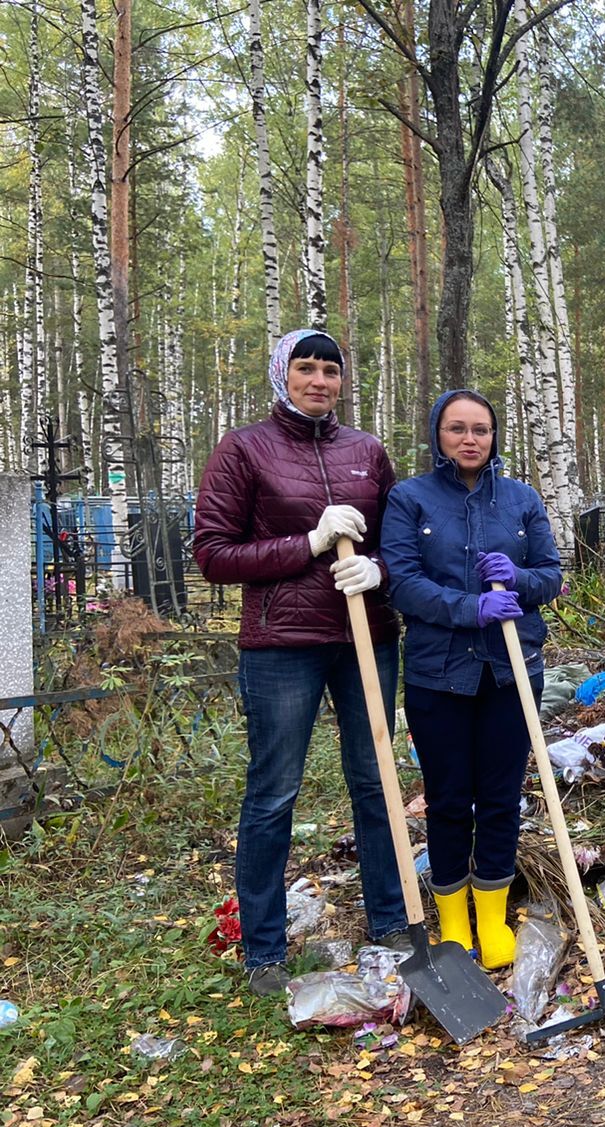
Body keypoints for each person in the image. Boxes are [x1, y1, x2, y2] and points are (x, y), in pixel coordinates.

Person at [193, 329, 407, 997]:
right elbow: (214, 555)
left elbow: (401, 542)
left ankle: (392, 921)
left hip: (365, 639)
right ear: (283, 374)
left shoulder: (366, 452)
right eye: (306, 368)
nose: (319, 380)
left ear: (343, 382)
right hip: (281, 645)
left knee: (376, 783)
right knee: (274, 792)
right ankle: (263, 949)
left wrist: (379, 569)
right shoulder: (245, 449)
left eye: (330, 370)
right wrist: (309, 542)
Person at [382, 390, 562, 968]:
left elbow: (550, 575)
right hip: (440, 675)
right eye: (457, 428)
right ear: (438, 434)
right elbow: (402, 582)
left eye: (480, 429)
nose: (469, 439)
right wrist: (470, 607)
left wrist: (520, 579)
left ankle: (493, 916)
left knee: (502, 795)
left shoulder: (521, 500)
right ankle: (455, 923)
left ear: (493, 436)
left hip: (512, 672)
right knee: (450, 799)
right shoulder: (409, 499)